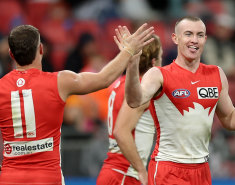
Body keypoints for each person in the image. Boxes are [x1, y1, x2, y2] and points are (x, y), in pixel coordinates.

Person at [0, 23, 154, 184]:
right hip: (47, 178)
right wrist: (128, 51)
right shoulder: (60, 82)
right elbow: (104, 78)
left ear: (11, 54)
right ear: (41, 50)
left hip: (10, 177)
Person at [119, 16, 235, 185]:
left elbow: (230, 119)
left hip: (201, 170)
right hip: (168, 170)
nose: (194, 40)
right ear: (175, 38)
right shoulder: (158, 75)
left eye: (199, 35)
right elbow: (134, 100)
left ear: (205, 39)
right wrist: (132, 62)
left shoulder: (217, 74)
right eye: (188, 34)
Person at [96, 34, 162, 185]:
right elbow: (121, 131)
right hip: (126, 173)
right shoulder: (140, 92)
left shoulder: (120, 84)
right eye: (160, 57)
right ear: (153, 62)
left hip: (114, 172)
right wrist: (141, 170)